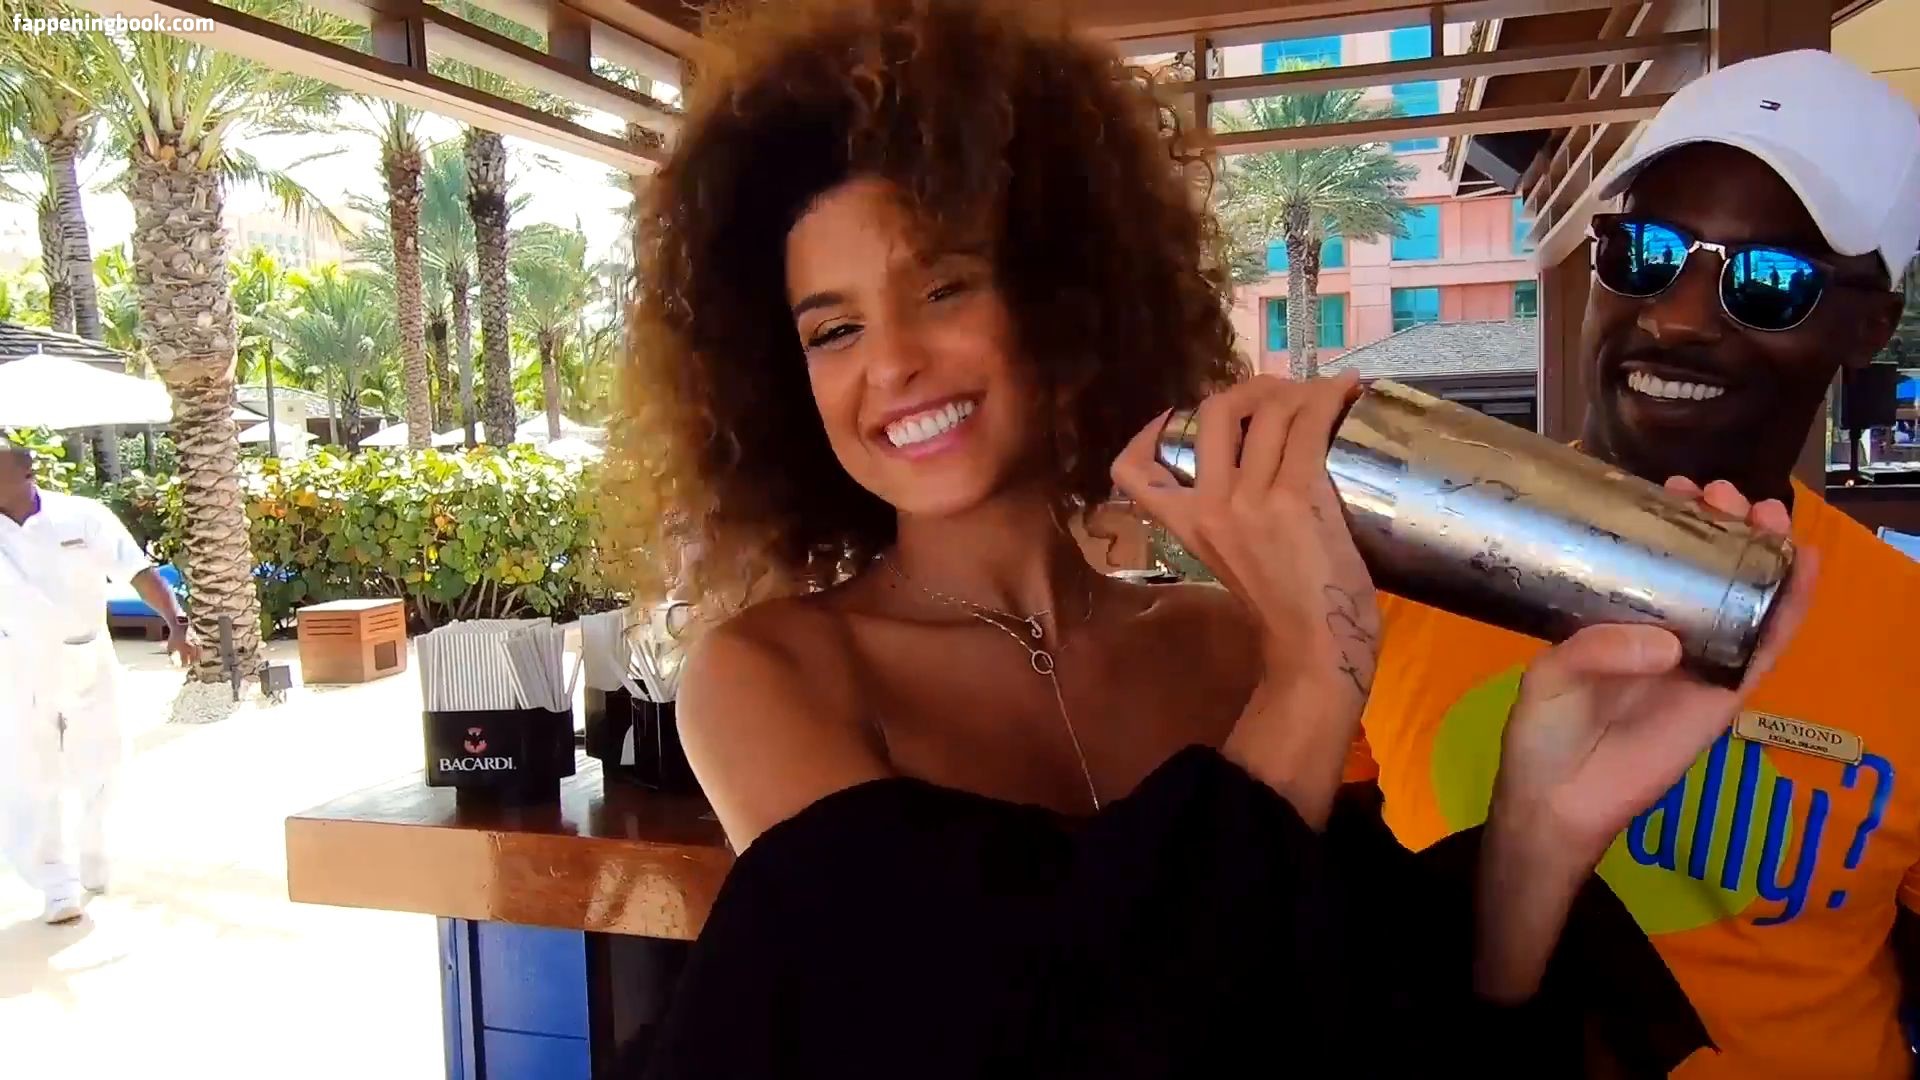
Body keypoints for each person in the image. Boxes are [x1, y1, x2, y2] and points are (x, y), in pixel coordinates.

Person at [599, 2, 1811, 1074]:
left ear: (1062, 294)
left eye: (944, 288)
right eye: (833, 331)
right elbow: (1000, 1048)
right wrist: (1308, 685)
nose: (894, 364)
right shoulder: (774, 676)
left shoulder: (1227, 642)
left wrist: (1545, 821)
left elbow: (1363, 1037)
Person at [1348, 49, 1920, 1079]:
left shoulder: (1909, 633)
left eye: (1772, 281)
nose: (1678, 316)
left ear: (1870, 326)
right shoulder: (1391, 562)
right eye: (1644, 251)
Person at [0, 441, 198, 924]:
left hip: (86, 654)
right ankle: (55, 884)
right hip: (17, 662)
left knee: (104, 761)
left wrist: (176, 622)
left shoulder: (82, 516)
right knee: (30, 776)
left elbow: (137, 571)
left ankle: (94, 853)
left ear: (25, 471)